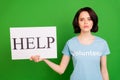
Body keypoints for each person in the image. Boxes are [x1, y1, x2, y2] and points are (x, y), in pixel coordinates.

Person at [30, 7, 110, 80]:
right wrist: (44, 59)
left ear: (93, 21)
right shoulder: (70, 43)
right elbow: (61, 70)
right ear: (77, 22)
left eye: (89, 19)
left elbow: (104, 70)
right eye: (82, 19)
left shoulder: (102, 43)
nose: (86, 22)